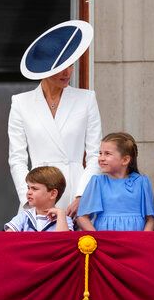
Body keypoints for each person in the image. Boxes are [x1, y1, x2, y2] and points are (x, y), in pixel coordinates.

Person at [9, 20, 102, 217]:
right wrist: (29, 198)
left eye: (71, 65)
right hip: (38, 192)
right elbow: (17, 158)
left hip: (76, 192)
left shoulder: (86, 99)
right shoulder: (21, 103)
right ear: (45, 68)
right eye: (60, 67)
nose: (67, 72)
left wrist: (82, 195)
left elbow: (95, 154)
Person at [76, 132, 154, 231]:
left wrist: (142, 240)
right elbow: (82, 217)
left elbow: (151, 219)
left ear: (125, 160)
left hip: (135, 241)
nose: (101, 158)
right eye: (100, 153)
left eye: (107, 154)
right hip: (106, 241)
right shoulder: (97, 182)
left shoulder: (142, 182)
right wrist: (98, 239)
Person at [4, 166, 73, 232]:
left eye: (34, 189)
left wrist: (60, 214)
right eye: (28, 188)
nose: (29, 192)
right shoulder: (24, 216)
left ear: (53, 194)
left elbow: (63, 241)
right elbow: (8, 238)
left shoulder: (64, 219)